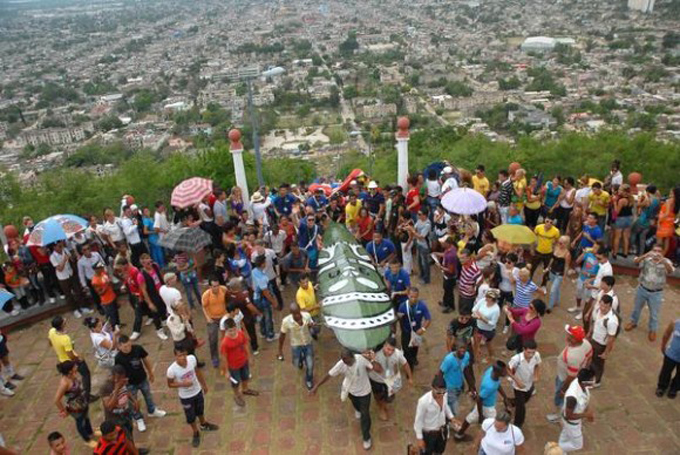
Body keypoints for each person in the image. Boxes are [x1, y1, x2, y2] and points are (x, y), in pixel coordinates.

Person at [310, 349, 383, 451]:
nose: (347, 363)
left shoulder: (361, 359)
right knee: (356, 405)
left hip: (365, 392)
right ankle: (357, 409)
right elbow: (329, 375)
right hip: (351, 391)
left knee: (365, 415)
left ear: (353, 357)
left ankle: (366, 437)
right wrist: (317, 386)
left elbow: (379, 369)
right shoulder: (341, 364)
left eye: (349, 361)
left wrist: (372, 359)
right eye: (345, 361)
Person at [166, 347, 218, 448]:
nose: (183, 358)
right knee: (190, 416)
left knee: (200, 409)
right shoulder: (171, 370)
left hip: (197, 391)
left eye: (184, 354)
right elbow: (170, 384)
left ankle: (203, 424)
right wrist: (182, 384)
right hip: (186, 396)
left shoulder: (192, 359)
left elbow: (197, 372)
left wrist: (204, 385)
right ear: (175, 356)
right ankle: (195, 432)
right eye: (180, 356)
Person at [115, 334, 166, 433]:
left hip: (142, 379)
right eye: (125, 347)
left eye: (129, 345)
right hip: (130, 384)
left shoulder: (138, 349)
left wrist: (150, 372)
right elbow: (118, 372)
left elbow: (145, 360)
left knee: (148, 395)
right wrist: (122, 384)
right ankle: (138, 418)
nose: (128, 348)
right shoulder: (118, 358)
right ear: (120, 346)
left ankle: (152, 410)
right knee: (133, 402)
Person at [626, 244, 675, 342]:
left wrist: (664, 261)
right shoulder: (646, 259)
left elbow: (670, 271)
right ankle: (633, 322)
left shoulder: (667, 262)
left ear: (662, 252)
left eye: (659, 251)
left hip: (656, 293)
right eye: (654, 250)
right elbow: (635, 262)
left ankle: (653, 330)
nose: (656, 253)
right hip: (642, 288)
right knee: (636, 308)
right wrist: (645, 255)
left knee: (654, 314)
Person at [546, 325, 593, 423]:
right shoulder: (586, 343)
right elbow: (589, 357)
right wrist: (583, 369)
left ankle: (559, 414)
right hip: (570, 374)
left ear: (574, 339)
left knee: (561, 398)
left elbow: (571, 376)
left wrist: (563, 389)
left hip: (564, 378)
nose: (567, 335)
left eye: (569, 334)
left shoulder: (573, 357)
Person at [454, 361, 509, 440]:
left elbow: (497, 384)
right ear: (497, 372)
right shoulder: (489, 386)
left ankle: (459, 434)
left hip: (484, 405)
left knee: (471, 417)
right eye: (504, 371)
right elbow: (479, 399)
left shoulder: (491, 370)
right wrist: (481, 416)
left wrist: (505, 397)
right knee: (496, 423)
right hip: (488, 407)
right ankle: (493, 440)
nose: (506, 372)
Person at [368, 336, 413, 421]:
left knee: (389, 396)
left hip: (390, 378)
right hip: (376, 379)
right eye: (388, 349)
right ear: (384, 345)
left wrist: (410, 377)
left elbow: (405, 364)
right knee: (378, 395)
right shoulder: (376, 354)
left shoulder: (397, 354)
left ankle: (383, 403)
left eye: (392, 350)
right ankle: (381, 407)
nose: (390, 352)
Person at [54, 361, 96, 448]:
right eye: (74, 366)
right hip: (75, 407)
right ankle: (87, 440)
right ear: (70, 371)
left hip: (82, 401)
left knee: (86, 417)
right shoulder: (64, 383)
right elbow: (56, 400)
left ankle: (91, 432)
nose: (76, 367)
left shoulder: (72, 375)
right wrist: (63, 410)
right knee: (80, 422)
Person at [220, 318, 259, 406]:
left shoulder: (241, 334)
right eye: (230, 331)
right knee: (236, 382)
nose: (233, 332)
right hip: (233, 366)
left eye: (234, 330)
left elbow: (245, 345)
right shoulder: (224, 343)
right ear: (226, 331)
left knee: (245, 376)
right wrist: (226, 371)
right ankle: (236, 395)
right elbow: (224, 357)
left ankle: (245, 389)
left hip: (243, 361)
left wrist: (249, 357)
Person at [413, 373, 454, 455]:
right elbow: (418, 421)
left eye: (443, 392)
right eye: (438, 392)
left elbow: (445, 407)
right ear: (432, 388)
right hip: (429, 434)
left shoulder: (444, 395)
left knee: (439, 451)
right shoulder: (423, 402)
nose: (441, 395)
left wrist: (452, 417)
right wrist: (419, 438)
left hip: (442, 431)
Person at [278, 303, 316, 390]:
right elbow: (282, 336)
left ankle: (309, 379)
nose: (298, 315)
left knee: (310, 364)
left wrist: (311, 327)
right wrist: (280, 350)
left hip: (307, 343)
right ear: (291, 313)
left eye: (298, 312)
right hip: (296, 344)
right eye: (295, 314)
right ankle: (300, 361)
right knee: (296, 361)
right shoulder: (286, 321)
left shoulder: (307, 316)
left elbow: (311, 325)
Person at [558, 368, 596, 453]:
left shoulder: (581, 384)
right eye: (591, 380)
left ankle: (560, 451)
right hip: (572, 423)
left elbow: (585, 400)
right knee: (577, 445)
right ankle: (557, 449)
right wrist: (586, 415)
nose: (594, 381)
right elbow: (569, 416)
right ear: (584, 382)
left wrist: (588, 412)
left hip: (571, 421)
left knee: (565, 435)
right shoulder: (572, 397)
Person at [50, 241, 91, 318]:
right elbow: (59, 269)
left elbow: (72, 260)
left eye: (61, 245)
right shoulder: (52, 257)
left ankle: (83, 307)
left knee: (78, 290)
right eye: (59, 246)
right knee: (68, 295)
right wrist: (64, 260)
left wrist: (71, 258)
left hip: (71, 274)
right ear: (54, 247)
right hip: (63, 277)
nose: (61, 247)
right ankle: (75, 309)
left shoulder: (65, 250)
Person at [508, 339, 541, 428]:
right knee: (521, 408)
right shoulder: (516, 359)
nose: (531, 355)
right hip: (518, 386)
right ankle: (517, 425)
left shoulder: (536, 355)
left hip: (529, 384)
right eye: (529, 352)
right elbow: (508, 371)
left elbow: (537, 365)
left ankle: (511, 401)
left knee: (526, 398)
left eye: (533, 353)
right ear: (523, 349)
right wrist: (517, 381)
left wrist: (536, 375)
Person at [587, 295, 618, 387]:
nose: (602, 308)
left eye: (605, 306)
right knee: (591, 360)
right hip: (594, 339)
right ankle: (590, 376)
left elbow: (611, 338)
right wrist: (589, 332)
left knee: (598, 364)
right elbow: (594, 322)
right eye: (601, 305)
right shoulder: (598, 310)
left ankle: (597, 381)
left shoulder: (612, 321)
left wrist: (606, 352)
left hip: (601, 344)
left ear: (610, 306)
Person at [440, 338, 476, 418]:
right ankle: (447, 420)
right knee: (455, 411)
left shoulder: (467, 355)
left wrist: (471, 386)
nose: (462, 350)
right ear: (455, 348)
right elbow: (440, 373)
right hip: (449, 388)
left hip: (459, 385)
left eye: (464, 347)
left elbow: (466, 370)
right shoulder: (449, 359)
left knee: (450, 406)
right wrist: (441, 388)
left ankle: (445, 417)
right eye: (460, 348)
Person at [397, 287, 431, 370]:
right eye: (411, 296)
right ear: (408, 295)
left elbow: (428, 319)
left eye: (415, 297)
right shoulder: (402, 306)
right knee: (406, 350)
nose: (413, 299)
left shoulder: (422, 306)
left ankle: (414, 358)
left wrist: (423, 329)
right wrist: (399, 317)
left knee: (415, 347)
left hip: (417, 331)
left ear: (418, 296)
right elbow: (398, 317)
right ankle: (409, 367)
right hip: (406, 331)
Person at [100, 365, 138, 439]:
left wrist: (134, 400)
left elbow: (126, 391)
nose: (122, 380)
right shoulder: (106, 387)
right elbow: (109, 406)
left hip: (126, 413)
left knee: (130, 431)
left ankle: (133, 448)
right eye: (119, 378)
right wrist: (117, 389)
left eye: (123, 377)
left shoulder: (122, 381)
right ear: (113, 376)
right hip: (116, 418)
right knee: (124, 437)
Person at [137, 254, 169, 340]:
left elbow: (160, 276)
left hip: (161, 292)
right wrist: (149, 303)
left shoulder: (155, 266)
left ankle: (165, 320)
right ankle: (159, 330)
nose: (149, 262)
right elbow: (144, 291)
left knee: (163, 308)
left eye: (149, 259)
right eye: (146, 261)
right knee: (155, 314)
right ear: (143, 263)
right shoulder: (141, 275)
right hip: (152, 296)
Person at [226, 278, 261, 354]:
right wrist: (258, 312)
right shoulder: (243, 296)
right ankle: (254, 348)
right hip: (247, 317)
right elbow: (250, 306)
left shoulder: (228, 294)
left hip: (234, 318)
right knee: (251, 332)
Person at [581, 248, 612, 330]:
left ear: (606, 258)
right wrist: (590, 280)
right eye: (597, 258)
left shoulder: (607, 270)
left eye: (599, 258)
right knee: (586, 314)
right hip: (594, 293)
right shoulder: (602, 265)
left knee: (588, 316)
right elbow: (598, 278)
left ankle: (587, 333)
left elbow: (605, 287)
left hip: (597, 296)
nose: (597, 260)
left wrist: (591, 286)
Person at [568, 242, 600, 318]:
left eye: (595, 248)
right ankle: (577, 307)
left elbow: (599, 275)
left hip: (590, 282)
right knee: (578, 293)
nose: (593, 248)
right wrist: (584, 253)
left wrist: (588, 275)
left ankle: (583, 312)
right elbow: (577, 261)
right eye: (593, 246)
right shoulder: (589, 254)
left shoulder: (599, 260)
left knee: (587, 298)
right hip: (581, 278)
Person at [201, 277, 227, 368]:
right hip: (213, 319)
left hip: (224, 316)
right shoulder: (206, 295)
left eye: (217, 286)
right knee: (212, 339)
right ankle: (214, 357)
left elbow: (228, 301)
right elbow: (204, 307)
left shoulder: (224, 290)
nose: (216, 288)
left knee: (229, 335)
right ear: (210, 287)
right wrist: (208, 318)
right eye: (214, 286)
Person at [472, 289, 501, 363]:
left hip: (488, 330)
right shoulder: (483, 301)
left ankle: (491, 356)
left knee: (488, 344)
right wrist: (480, 316)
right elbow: (474, 309)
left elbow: (493, 323)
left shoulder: (496, 309)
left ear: (493, 299)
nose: (486, 298)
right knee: (476, 341)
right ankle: (475, 356)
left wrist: (482, 318)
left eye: (488, 297)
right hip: (478, 326)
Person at [252, 255, 277, 342]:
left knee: (261, 315)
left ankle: (263, 332)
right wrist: (273, 302)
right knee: (268, 316)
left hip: (256, 298)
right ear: (262, 264)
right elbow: (266, 292)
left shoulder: (254, 271)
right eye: (265, 262)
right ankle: (270, 335)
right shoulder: (262, 277)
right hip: (263, 300)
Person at [544, 236, 572, 313]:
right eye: (559, 242)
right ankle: (557, 301)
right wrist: (548, 267)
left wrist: (564, 277)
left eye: (561, 243)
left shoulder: (567, 254)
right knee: (556, 288)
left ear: (566, 244)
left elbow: (566, 266)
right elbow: (552, 259)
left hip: (559, 274)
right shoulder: (556, 248)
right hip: (552, 271)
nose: (559, 244)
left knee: (553, 290)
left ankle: (550, 306)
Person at [656, 318, 680, 399]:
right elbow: (666, 334)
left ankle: (674, 388)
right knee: (666, 371)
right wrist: (663, 345)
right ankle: (662, 386)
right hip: (671, 354)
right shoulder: (675, 323)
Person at [91, 261, 119, 329]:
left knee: (116, 313)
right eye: (100, 268)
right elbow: (100, 293)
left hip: (112, 296)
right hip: (107, 300)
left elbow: (109, 282)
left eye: (102, 267)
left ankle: (118, 324)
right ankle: (114, 329)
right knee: (111, 316)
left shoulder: (103, 273)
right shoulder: (95, 281)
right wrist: (107, 284)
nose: (102, 268)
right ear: (96, 269)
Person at [611, 184, 634, 258]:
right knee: (626, 236)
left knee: (617, 236)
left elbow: (617, 212)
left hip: (621, 218)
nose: (619, 191)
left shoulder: (621, 200)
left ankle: (615, 253)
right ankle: (625, 253)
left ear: (624, 192)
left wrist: (614, 202)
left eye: (620, 190)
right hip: (629, 218)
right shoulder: (631, 198)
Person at [436, 236, 458, 314]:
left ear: (447, 243)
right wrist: (437, 254)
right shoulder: (450, 248)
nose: (441, 244)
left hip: (450, 276)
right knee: (446, 289)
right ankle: (445, 302)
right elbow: (444, 254)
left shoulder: (451, 255)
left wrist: (440, 267)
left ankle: (451, 306)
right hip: (447, 275)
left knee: (449, 292)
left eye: (442, 242)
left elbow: (450, 270)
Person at [458, 248, 482, 314]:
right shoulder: (464, 264)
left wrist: (474, 287)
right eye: (460, 258)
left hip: (468, 296)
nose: (460, 260)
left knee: (465, 313)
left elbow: (481, 279)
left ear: (468, 258)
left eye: (463, 258)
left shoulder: (474, 269)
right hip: (461, 292)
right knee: (461, 310)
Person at [411, 209, 432, 284]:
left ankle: (426, 279)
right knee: (419, 261)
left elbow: (421, 236)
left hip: (425, 246)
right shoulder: (419, 221)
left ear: (425, 215)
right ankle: (422, 274)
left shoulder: (427, 224)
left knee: (425, 263)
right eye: (418, 214)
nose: (418, 216)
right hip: (418, 243)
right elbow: (415, 227)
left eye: (420, 214)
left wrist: (412, 231)